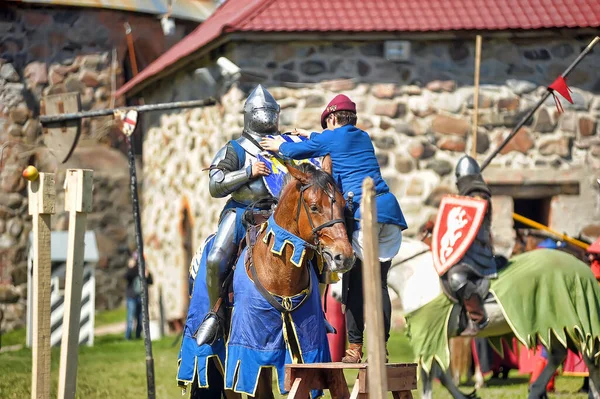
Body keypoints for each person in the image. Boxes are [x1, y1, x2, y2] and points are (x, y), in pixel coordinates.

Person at [260, 94, 407, 363]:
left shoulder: (331, 136)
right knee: (379, 285)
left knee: (353, 285)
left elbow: (293, 152)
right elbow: (330, 143)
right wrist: (314, 135)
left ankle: (354, 349)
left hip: (365, 214)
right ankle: (381, 349)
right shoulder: (362, 136)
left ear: (332, 118)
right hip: (389, 213)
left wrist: (276, 143)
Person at [194, 84, 279, 346]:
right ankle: (215, 313)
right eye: (262, 111)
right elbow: (215, 184)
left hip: (276, 213)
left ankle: (312, 312)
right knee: (216, 257)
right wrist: (248, 172)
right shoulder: (236, 149)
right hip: (242, 213)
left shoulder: (281, 146)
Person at [429, 155, 497, 334]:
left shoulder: (480, 196)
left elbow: (474, 210)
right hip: (466, 253)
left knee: (457, 277)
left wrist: (472, 201)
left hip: (479, 255)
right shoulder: (467, 198)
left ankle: (477, 317)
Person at [124, 250, 153, 340]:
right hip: (132, 296)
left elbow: (151, 282)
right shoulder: (132, 269)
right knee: (130, 317)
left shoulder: (145, 269)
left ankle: (137, 335)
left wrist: (147, 275)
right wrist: (131, 267)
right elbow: (126, 277)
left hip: (142, 297)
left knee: (141, 318)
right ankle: (128, 337)